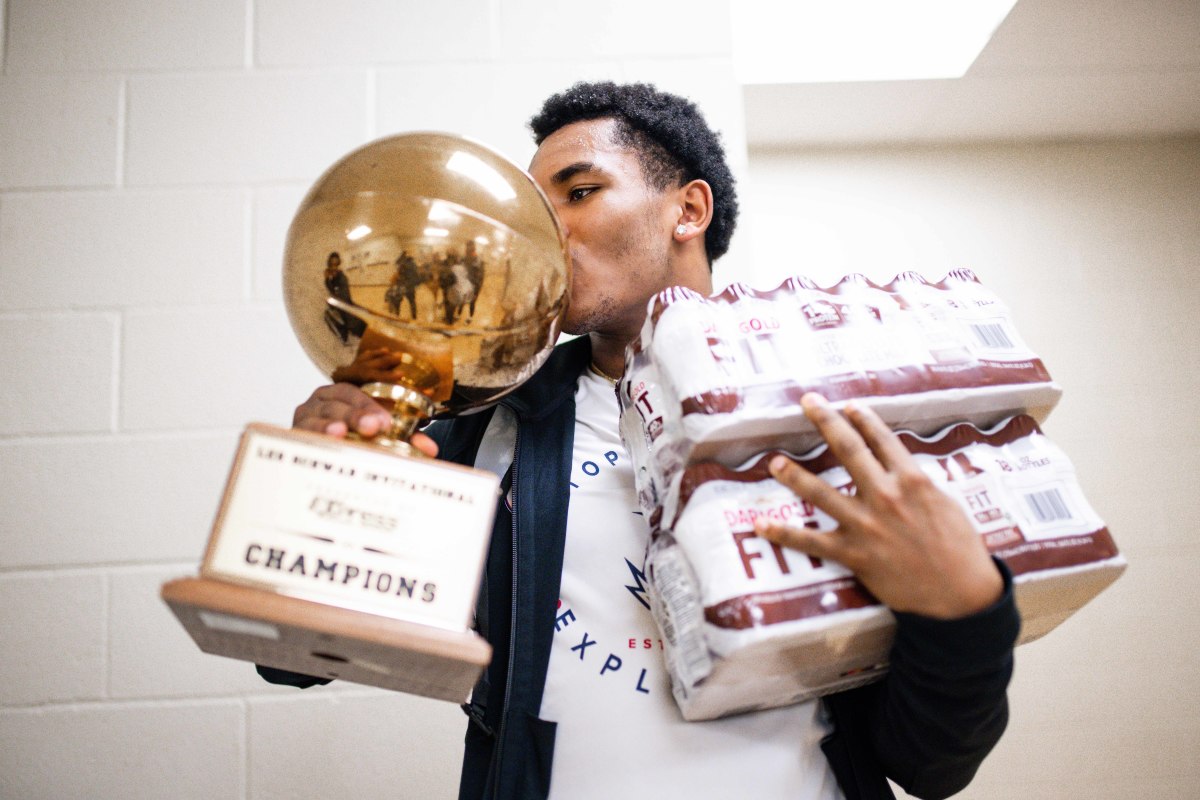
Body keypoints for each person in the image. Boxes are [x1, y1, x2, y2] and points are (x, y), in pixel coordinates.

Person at [272, 82, 1019, 800]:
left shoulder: (833, 409)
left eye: (580, 191)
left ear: (688, 210)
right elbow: (297, 663)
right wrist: (330, 491)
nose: (541, 229)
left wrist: (965, 615)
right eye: (533, 206)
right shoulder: (481, 426)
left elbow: (930, 764)